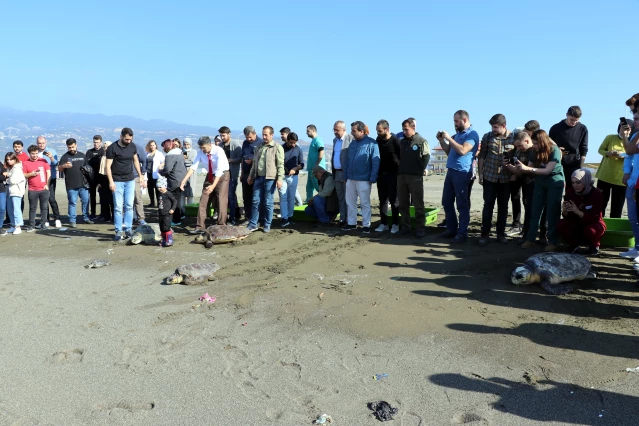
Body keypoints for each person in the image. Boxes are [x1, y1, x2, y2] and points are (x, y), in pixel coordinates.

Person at [436, 110, 480, 244]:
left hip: (462, 172)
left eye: (456, 121)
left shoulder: (472, 134)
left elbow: (462, 150)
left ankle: (462, 233)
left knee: (462, 204)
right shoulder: (458, 135)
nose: (455, 124)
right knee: (447, 201)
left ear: (465, 120)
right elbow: (450, 151)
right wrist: (442, 141)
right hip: (451, 171)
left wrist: (449, 138)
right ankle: (452, 229)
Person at [517, 130, 565, 252]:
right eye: (533, 143)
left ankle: (553, 241)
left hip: (554, 181)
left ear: (543, 142)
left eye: (536, 143)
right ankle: (530, 239)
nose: (534, 145)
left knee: (552, 211)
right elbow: (530, 167)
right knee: (535, 210)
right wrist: (519, 168)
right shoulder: (534, 151)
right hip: (540, 182)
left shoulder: (554, 150)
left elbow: (547, 170)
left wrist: (527, 168)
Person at [181, 136, 230, 233]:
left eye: (204, 148)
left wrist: (213, 186)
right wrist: (184, 180)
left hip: (222, 175)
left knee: (221, 199)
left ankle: (221, 226)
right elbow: (193, 167)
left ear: (209, 145)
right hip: (210, 175)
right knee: (203, 200)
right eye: (201, 148)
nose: (202, 150)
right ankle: (200, 227)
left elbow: (219, 170)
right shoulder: (200, 153)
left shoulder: (219, 151)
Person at [477, 114, 514, 245]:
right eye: (492, 127)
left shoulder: (513, 137)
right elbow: (481, 156)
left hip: (506, 179)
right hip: (489, 177)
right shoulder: (487, 137)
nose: (493, 129)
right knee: (488, 206)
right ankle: (485, 234)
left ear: (504, 126)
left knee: (503, 207)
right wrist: (480, 173)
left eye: (495, 127)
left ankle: (500, 234)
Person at [106, 128, 146, 241]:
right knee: (118, 207)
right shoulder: (112, 148)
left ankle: (128, 229)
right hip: (117, 180)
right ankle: (118, 230)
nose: (128, 141)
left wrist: (140, 175)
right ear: (121, 136)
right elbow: (108, 166)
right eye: (127, 139)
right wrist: (111, 181)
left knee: (129, 205)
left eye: (130, 139)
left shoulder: (132, 146)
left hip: (130, 179)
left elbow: (136, 161)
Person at [343, 121, 380, 234]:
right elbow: (348, 161)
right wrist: (346, 176)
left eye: (354, 131)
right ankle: (351, 223)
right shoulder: (352, 144)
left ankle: (366, 225)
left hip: (364, 179)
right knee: (350, 202)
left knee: (364, 203)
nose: (352, 133)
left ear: (362, 131)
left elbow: (375, 161)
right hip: (350, 178)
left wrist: (373, 177)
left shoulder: (372, 143)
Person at [558, 169, 606, 256]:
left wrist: (577, 211)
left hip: (592, 223)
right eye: (573, 183)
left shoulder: (596, 194)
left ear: (586, 181)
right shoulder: (570, 192)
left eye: (578, 182)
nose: (575, 185)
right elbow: (568, 217)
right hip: (576, 222)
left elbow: (594, 217)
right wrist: (565, 210)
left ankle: (594, 245)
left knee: (592, 230)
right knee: (561, 224)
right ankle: (574, 245)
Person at [247, 126, 285, 232]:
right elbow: (255, 163)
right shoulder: (259, 147)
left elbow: (280, 165)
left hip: (270, 178)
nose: (264, 136)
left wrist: (280, 179)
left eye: (266, 135)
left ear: (271, 135)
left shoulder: (277, 147)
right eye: (263, 134)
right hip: (258, 177)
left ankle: (267, 224)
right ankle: (253, 223)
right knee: (255, 201)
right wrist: (251, 176)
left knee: (268, 202)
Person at [396, 118, 430, 237]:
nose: (405, 132)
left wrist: (420, 169)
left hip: (415, 176)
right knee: (403, 203)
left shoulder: (421, 141)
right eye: (403, 130)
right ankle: (405, 227)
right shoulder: (402, 142)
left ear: (413, 128)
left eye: (406, 129)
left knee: (418, 203)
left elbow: (426, 157)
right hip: (402, 176)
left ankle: (420, 228)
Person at [504, 132, 536, 243]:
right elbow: (519, 171)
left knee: (530, 208)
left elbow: (526, 170)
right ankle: (524, 232)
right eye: (517, 146)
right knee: (522, 203)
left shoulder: (534, 151)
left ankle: (529, 235)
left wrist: (517, 171)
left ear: (527, 141)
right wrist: (508, 165)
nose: (518, 148)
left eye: (520, 145)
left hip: (533, 183)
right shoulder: (518, 151)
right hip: (522, 180)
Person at [549, 106, 588, 183]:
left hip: (574, 164)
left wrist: (581, 167)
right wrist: (556, 150)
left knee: (572, 190)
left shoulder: (582, 129)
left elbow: (583, 149)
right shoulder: (555, 128)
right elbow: (548, 145)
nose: (573, 123)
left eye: (576, 120)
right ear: (566, 115)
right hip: (557, 163)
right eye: (571, 120)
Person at [375, 119, 401, 233]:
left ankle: (395, 224)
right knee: (382, 200)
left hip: (394, 174)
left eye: (379, 131)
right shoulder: (378, 140)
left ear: (387, 129)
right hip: (381, 174)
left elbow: (401, 158)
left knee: (394, 200)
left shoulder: (396, 140)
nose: (378, 133)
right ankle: (384, 223)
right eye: (377, 131)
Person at [58, 138, 92, 228]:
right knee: (72, 202)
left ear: (76, 145)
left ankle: (86, 218)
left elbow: (88, 167)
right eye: (69, 147)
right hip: (71, 184)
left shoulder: (82, 155)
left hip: (83, 184)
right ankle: (72, 220)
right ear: (67, 147)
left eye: (73, 147)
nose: (71, 149)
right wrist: (64, 166)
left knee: (86, 201)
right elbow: (59, 168)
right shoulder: (65, 157)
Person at [595, 124, 626, 218]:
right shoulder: (610, 137)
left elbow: (633, 155)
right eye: (622, 128)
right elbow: (600, 150)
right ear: (619, 128)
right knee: (600, 204)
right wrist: (608, 153)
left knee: (617, 207)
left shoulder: (632, 141)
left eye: (627, 128)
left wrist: (624, 155)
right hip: (605, 176)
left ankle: (614, 229)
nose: (624, 130)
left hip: (621, 179)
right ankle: (599, 226)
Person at [620, 112, 639, 260]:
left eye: (637, 118)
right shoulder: (635, 136)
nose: (634, 121)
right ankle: (637, 247)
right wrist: (626, 172)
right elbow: (629, 154)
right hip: (633, 181)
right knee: (633, 217)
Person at [22, 144, 51, 231]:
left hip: (44, 189)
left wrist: (47, 185)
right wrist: (31, 174)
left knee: (44, 207)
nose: (34, 155)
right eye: (32, 153)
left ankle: (43, 224)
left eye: (36, 153)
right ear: (29, 154)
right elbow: (24, 175)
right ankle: (31, 225)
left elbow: (48, 172)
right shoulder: (26, 163)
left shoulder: (43, 161)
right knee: (32, 208)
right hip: (32, 190)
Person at [159, 139, 186, 226]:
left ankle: (176, 220)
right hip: (181, 180)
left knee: (174, 200)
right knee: (178, 199)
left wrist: (160, 171)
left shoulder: (170, 156)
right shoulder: (180, 153)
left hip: (174, 181)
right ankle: (180, 216)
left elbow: (167, 170)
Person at [36, 136, 61, 228]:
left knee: (51, 198)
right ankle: (45, 219)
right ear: (37, 143)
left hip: (51, 178)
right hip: (40, 179)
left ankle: (57, 218)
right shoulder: (36, 153)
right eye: (39, 143)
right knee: (43, 200)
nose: (41, 145)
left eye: (43, 143)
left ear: (46, 143)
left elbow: (56, 164)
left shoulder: (52, 151)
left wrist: (51, 158)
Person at [280, 132, 304, 226]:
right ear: (287, 140)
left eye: (294, 143)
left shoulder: (298, 150)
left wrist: (295, 169)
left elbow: (301, 164)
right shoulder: (281, 148)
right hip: (282, 176)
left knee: (291, 198)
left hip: (293, 177)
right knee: (283, 197)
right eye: (291, 142)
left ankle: (290, 217)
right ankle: (284, 218)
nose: (293, 144)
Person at [332, 121, 353, 225]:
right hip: (337, 172)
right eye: (334, 129)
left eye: (337, 130)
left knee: (348, 197)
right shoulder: (335, 141)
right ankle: (343, 217)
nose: (335, 132)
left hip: (346, 173)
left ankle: (350, 219)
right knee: (340, 197)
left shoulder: (350, 138)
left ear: (344, 129)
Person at [219, 127, 242, 224]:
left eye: (223, 135)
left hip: (233, 174)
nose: (222, 137)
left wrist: (230, 160)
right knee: (223, 195)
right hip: (222, 174)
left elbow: (240, 158)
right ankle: (225, 216)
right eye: (221, 135)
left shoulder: (236, 144)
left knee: (231, 195)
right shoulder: (220, 145)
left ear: (229, 134)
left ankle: (232, 218)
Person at [240, 126, 263, 221]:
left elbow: (262, 158)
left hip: (256, 174)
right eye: (247, 137)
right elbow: (242, 158)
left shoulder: (261, 143)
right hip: (245, 173)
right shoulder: (245, 143)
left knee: (256, 197)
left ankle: (256, 217)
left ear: (255, 133)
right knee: (246, 196)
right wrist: (241, 173)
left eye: (250, 137)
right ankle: (247, 216)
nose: (249, 139)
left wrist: (253, 160)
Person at [4, 152, 25, 235]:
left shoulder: (17, 168)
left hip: (16, 191)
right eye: (7, 159)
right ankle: (13, 225)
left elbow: (13, 180)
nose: (9, 161)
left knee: (16, 209)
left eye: (11, 159)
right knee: (9, 209)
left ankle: (18, 226)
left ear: (15, 159)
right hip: (10, 191)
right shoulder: (11, 168)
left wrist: (7, 178)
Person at [305, 124, 326, 202]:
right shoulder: (313, 141)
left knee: (318, 187)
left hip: (317, 169)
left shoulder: (318, 140)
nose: (306, 133)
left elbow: (321, 150)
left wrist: (317, 164)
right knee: (309, 188)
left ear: (313, 130)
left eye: (308, 131)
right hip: (311, 169)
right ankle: (308, 203)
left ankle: (324, 202)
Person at [156, 176, 177, 247]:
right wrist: (158, 210)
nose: (159, 189)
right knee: (161, 228)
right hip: (161, 213)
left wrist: (172, 209)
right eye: (158, 187)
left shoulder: (168, 194)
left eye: (161, 187)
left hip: (167, 214)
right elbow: (159, 203)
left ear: (165, 186)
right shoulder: (159, 194)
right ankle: (164, 239)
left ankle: (169, 239)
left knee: (166, 227)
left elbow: (174, 201)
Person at [85, 135, 103, 220]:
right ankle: (93, 213)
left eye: (97, 142)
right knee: (92, 196)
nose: (96, 144)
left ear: (100, 142)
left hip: (101, 177)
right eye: (94, 142)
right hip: (91, 177)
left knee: (102, 195)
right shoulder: (89, 152)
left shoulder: (103, 151)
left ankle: (103, 213)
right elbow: (85, 164)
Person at [131, 140, 148, 226]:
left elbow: (144, 160)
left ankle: (141, 218)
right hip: (122, 177)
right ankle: (128, 218)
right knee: (125, 201)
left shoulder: (138, 148)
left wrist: (142, 174)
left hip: (135, 176)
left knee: (138, 198)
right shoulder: (118, 148)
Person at [97, 141, 114, 222]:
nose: (105, 148)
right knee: (104, 200)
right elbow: (100, 171)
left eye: (107, 147)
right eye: (105, 147)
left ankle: (114, 217)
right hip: (103, 180)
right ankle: (106, 216)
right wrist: (99, 182)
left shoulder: (114, 157)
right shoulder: (102, 157)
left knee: (113, 200)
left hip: (111, 179)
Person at [145, 140, 164, 208]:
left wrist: (160, 166)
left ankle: (159, 203)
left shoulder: (159, 153)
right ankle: (152, 202)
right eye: (151, 145)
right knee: (149, 188)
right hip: (148, 173)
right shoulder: (147, 153)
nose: (152, 146)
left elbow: (164, 161)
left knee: (157, 188)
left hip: (155, 173)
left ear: (156, 145)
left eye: (153, 145)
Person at [182, 138, 197, 206]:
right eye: (185, 144)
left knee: (190, 192)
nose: (186, 146)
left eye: (188, 144)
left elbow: (193, 162)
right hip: (182, 172)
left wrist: (184, 161)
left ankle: (190, 207)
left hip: (191, 173)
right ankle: (182, 209)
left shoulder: (194, 152)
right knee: (182, 191)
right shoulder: (181, 151)